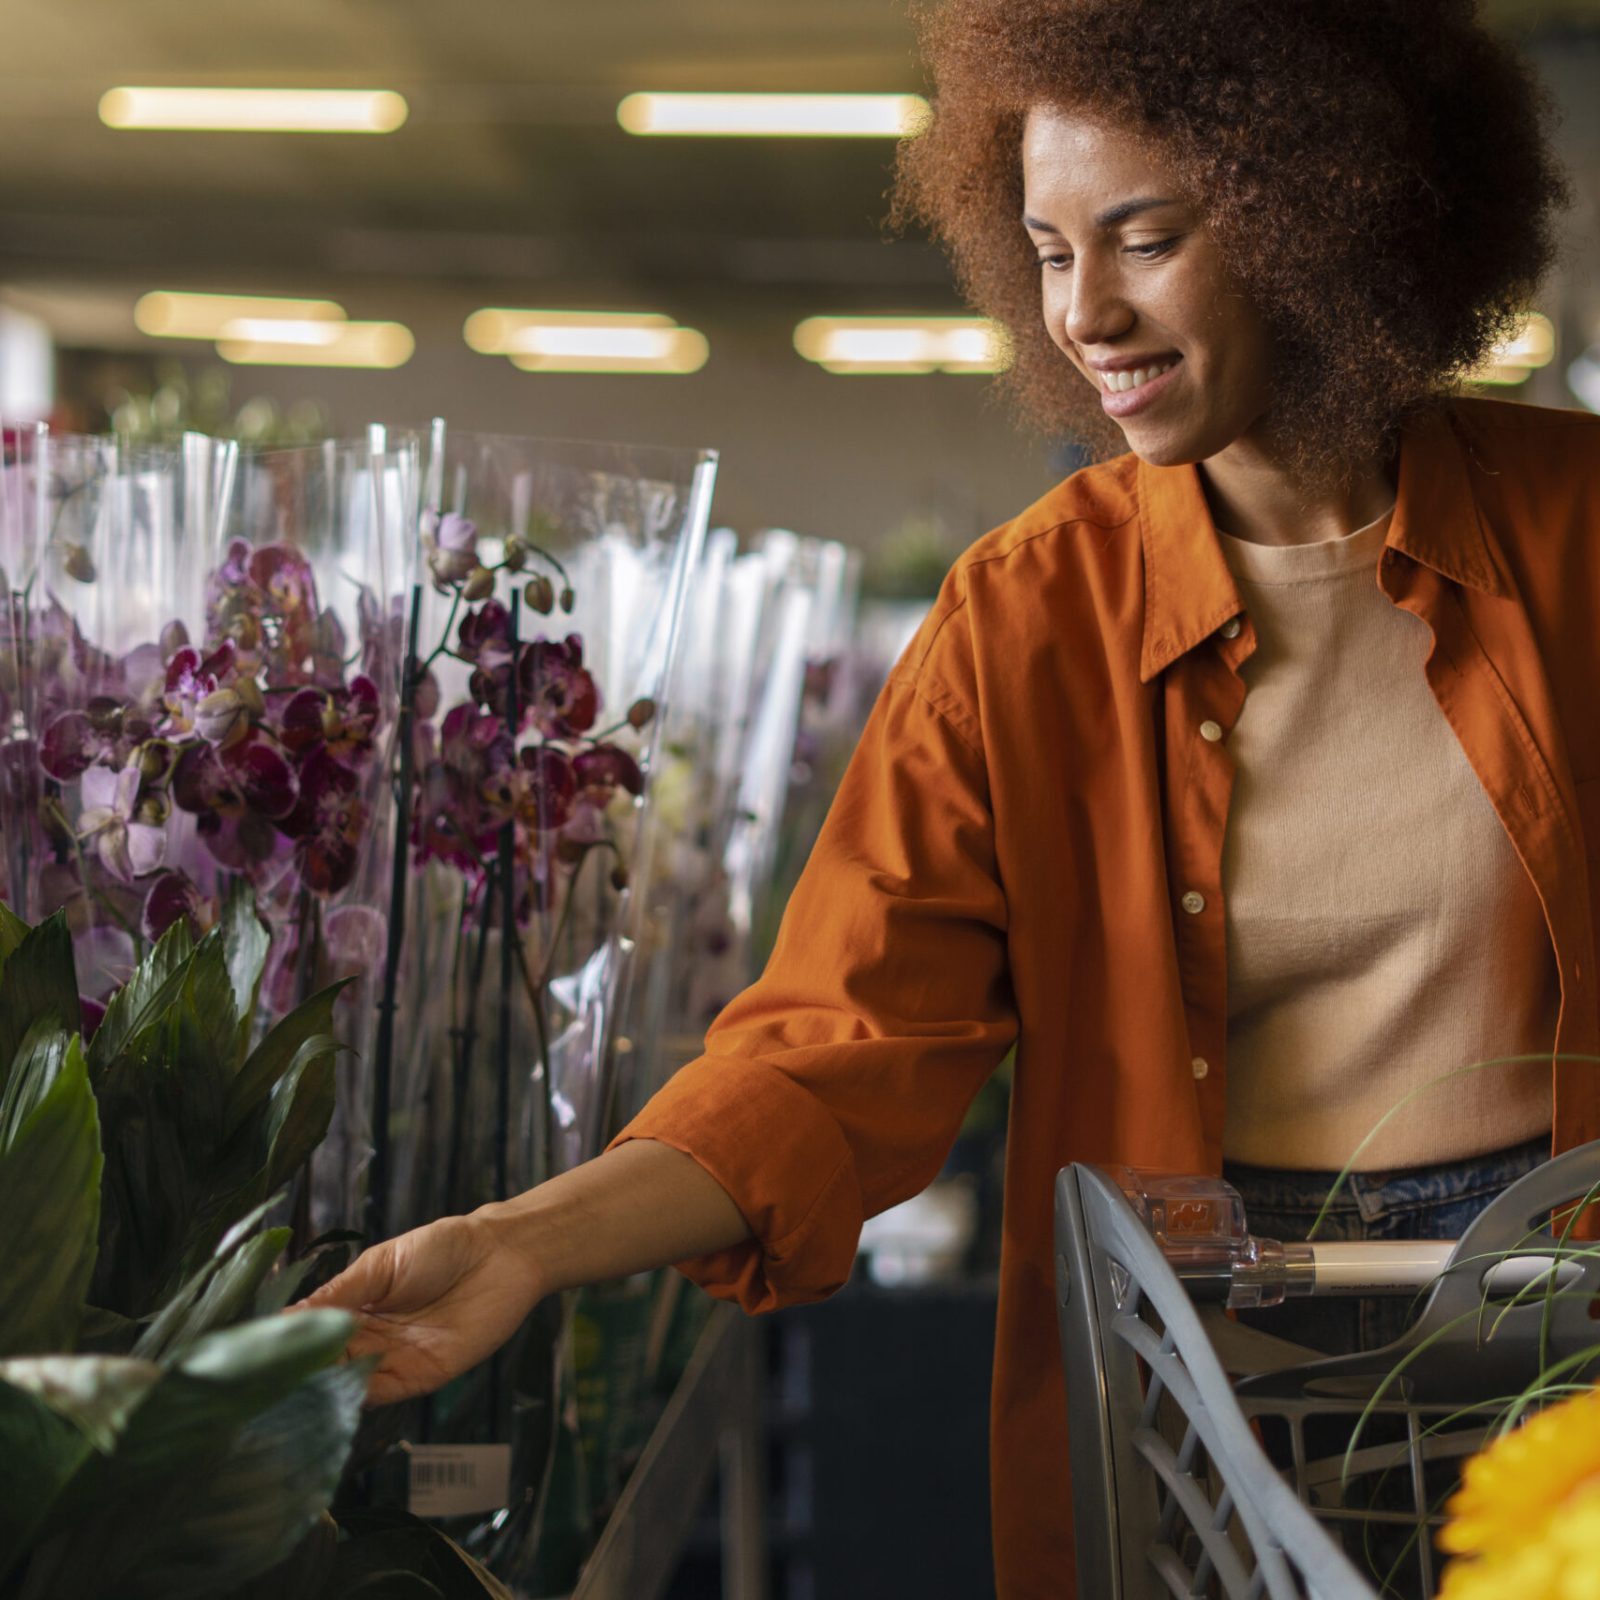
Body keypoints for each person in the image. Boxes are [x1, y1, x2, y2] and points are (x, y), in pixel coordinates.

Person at [307, 2, 1600, 1593]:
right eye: (1051, 252)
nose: (1086, 313)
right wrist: (515, 1245)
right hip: (1203, 1372)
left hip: (1565, 1358)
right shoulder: (1027, 619)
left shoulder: (1577, 536)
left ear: (1320, 215)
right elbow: (831, 1056)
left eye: (1147, 238)